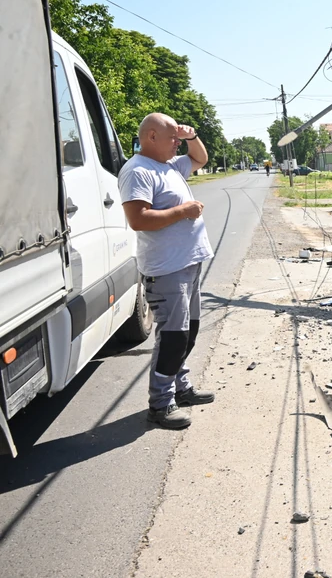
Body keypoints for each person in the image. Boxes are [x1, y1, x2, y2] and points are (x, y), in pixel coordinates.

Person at [118, 113, 215, 429]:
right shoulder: (138, 171)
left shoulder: (170, 165)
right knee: (173, 338)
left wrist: (190, 136)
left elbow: (200, 158)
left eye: (178, 138)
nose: (177, 142)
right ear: (151, 137)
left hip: (188, 264)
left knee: (188, 332)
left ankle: (180, 388)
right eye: (172, 137)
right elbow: (139, 219)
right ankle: (160, 405)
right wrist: (183, 211)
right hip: (166, 270)